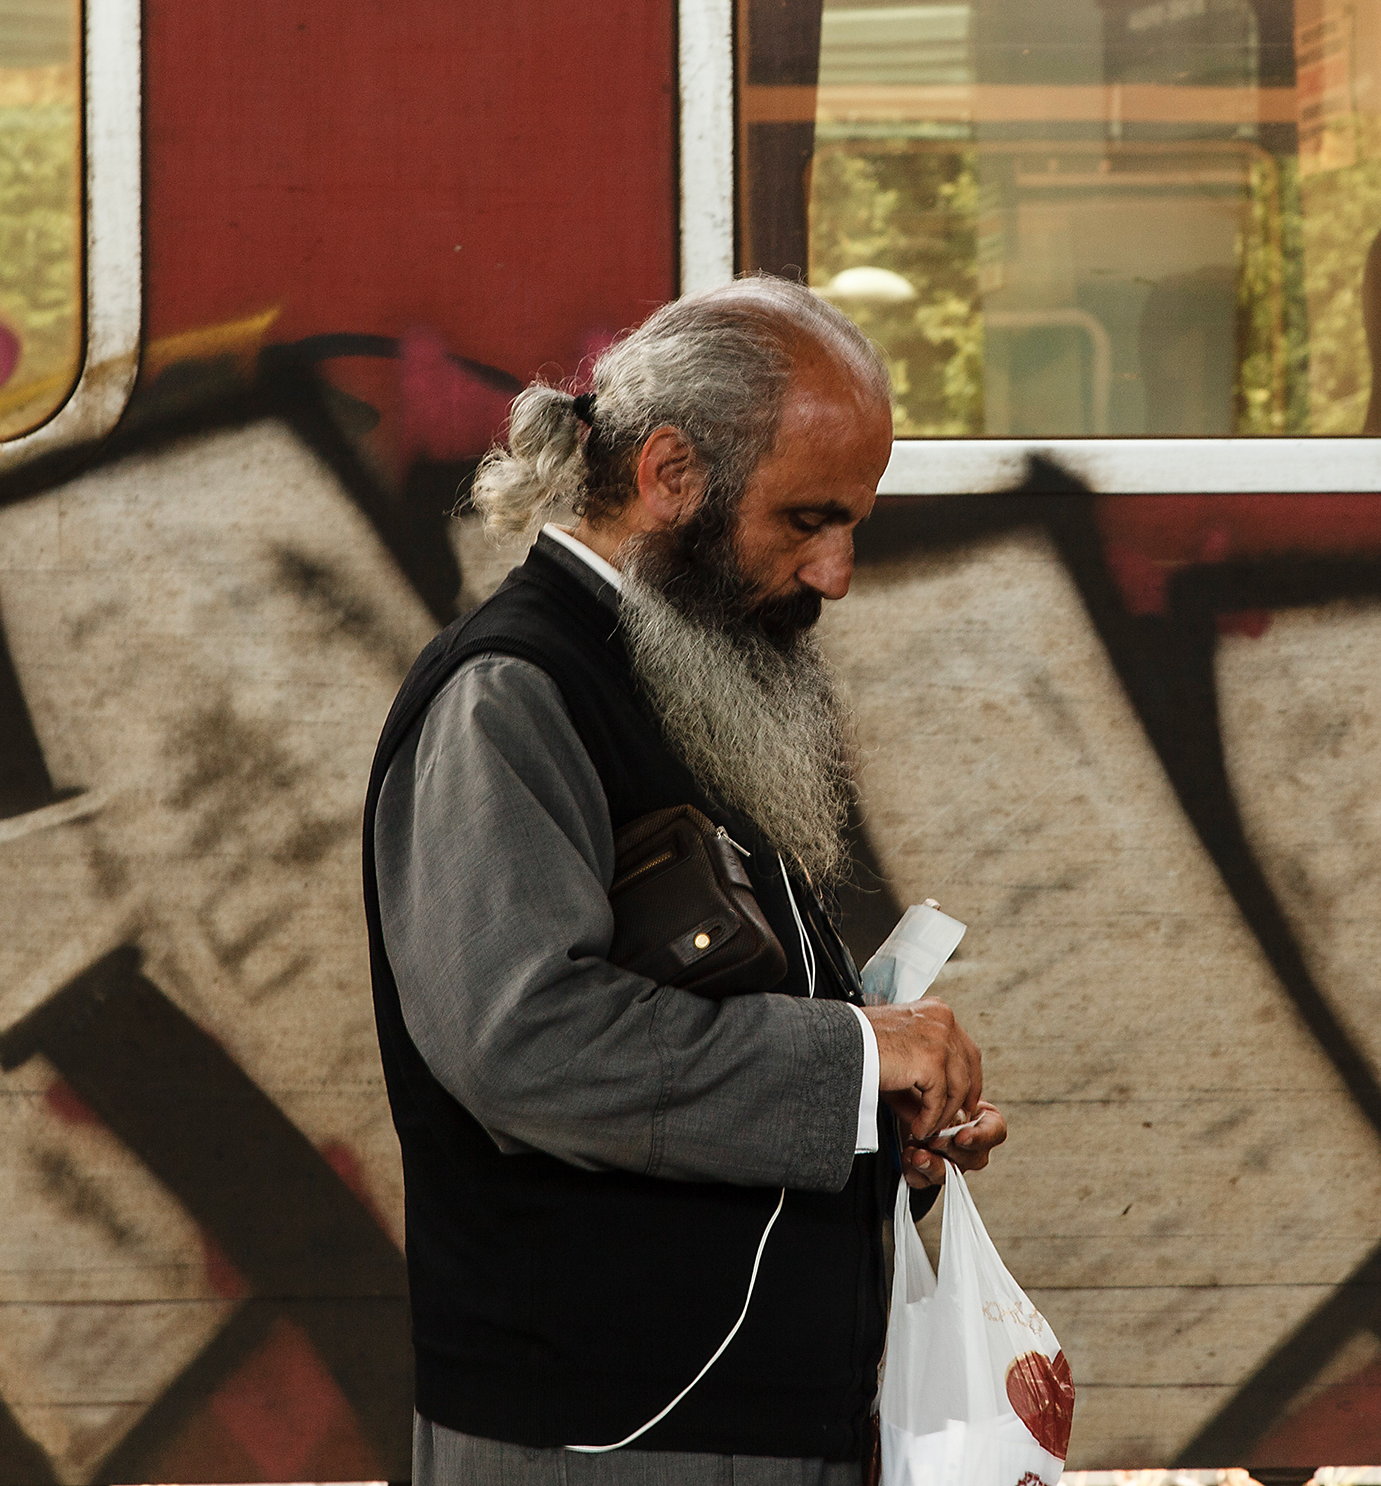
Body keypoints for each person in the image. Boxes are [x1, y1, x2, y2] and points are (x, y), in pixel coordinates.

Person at [362, 274, 1008, 1485]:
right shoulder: (512, 693)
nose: (837, 574)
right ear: (668, 475)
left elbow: (706, 1023)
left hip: (732, 1420)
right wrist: (858, 1060)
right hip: (606, 1434)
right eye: (806, 520)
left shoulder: (678, 672)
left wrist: (884, 1119)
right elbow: (526, 1042)